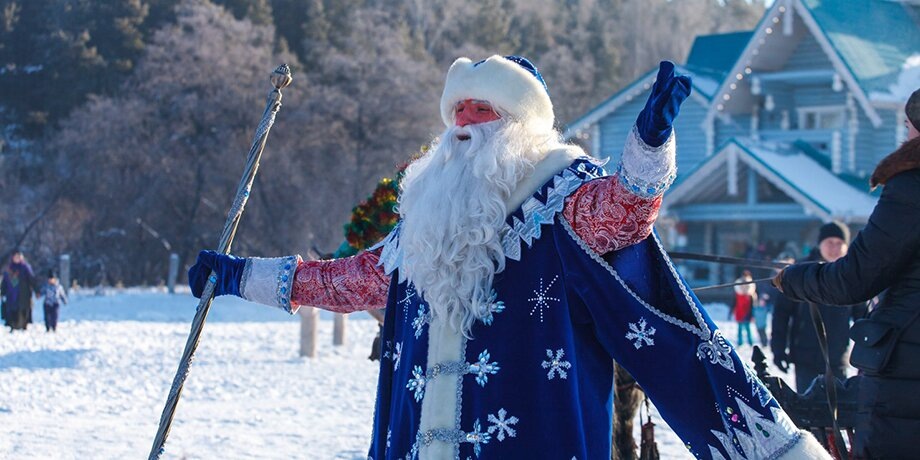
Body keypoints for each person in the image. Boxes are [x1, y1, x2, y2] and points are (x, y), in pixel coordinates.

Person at [190, 57, 826, 459]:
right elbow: (345, 280)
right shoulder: (425, 220)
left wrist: (649, 145)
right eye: (457, 111)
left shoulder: (560, 199)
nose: (463, 123)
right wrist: (238, 276)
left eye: (481, 109)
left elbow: (625, 211)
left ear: (519, 123)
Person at [775, 88, 920, 458]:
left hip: (906, 379)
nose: (905, 136)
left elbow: (854, 280)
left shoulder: (912, 186)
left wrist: (793, 279)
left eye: (908, 127)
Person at [772, 222, 866, 393]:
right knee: (808, 413)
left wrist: (865, 358)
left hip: (838, 358)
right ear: (820, 243)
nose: (834, 248)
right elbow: (781, 314)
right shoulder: (800, 273)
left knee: (838, 414)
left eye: (839, 243)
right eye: (830, 242)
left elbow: (864, 320)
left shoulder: (853, 276)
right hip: (805, 358)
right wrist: (778, 349)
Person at [1, 250, 37, 332]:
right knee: (12, 310)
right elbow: (5, 281)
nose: (17, 258)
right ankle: (12, 326)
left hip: (23, 293)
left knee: (23, 310)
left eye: (18, 256)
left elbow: (31, 279)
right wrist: (2, 291)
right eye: (15, 257)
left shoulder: (25, 267)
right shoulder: (9, 268)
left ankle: (24, 325)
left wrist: (36, 289)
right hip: (11, 293)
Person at [733, 270, 756, 346]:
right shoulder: (741, 290)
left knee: (746, 327)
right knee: (742, 327)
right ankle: (742, 342)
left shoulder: (749, 291)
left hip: (745, 311)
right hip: (742, 310)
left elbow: (753, 302)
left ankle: (748, 342)